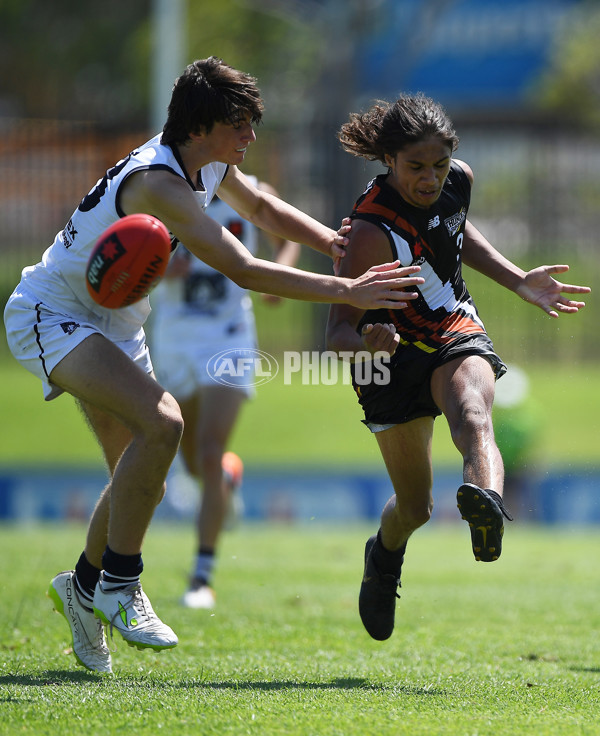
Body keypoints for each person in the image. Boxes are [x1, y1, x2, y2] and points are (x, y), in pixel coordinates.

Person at [3, 57, 423, 674]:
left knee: (139, 478)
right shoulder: (158, 183)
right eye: (243, 124)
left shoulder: (209, 163)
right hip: (51, 313)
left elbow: (263, 213)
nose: (252, 136)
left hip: (114, 323)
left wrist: (334, 246)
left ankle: (83, 589)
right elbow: (245, 269)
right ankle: (122, 582)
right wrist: (351, 290)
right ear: (203, 126)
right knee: (165, 425)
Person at [325, 94, 590, 642]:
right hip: (390, 360)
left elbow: (454, 231)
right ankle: (384, 555)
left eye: (439, 165)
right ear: (389, 162)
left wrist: (519, 279)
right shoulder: (369, 230)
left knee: (473, 413)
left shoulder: (457, 181)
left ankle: (486, 506)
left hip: (451, 329)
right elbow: (337, 333)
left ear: (453, 160)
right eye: (416, 167)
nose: (429, 178)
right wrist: (368, 344)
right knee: (416, 508)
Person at [150, 176, 301, 609]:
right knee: (196, 461)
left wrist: (280, 274)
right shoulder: (161, 193)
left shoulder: (254, 193)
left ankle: (201, 576)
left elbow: (286, 242)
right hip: (175, 338)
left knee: (211, 449)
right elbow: (127, 263)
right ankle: (225, 482)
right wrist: (161, 269)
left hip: (228, 336)